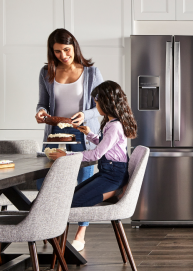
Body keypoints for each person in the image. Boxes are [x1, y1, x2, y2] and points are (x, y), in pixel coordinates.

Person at [49, 81, 138, 252]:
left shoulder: (114, 126)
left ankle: (60, 247)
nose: (95, 106)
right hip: (109, 172)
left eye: (96, 102)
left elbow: (97, 154)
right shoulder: (113, 124)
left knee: (73, 202)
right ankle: (59, 245)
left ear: (105, 102)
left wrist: (66, 155)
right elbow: (106, 146)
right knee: (70, 197)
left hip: (112, 176)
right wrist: (89, 134)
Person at [35, 28, 103, 189]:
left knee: (83, 183)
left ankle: (75, 214)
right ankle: (46, 214)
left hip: (81, 133)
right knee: (43, 182)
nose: (63, 55)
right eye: (57, 51)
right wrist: (40, 112)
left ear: (74, 47)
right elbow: (42, 103)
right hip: (54, 133)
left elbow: (102, 108)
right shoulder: (46, 72)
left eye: (66, 50)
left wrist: (84, 115)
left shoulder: (91, 73)